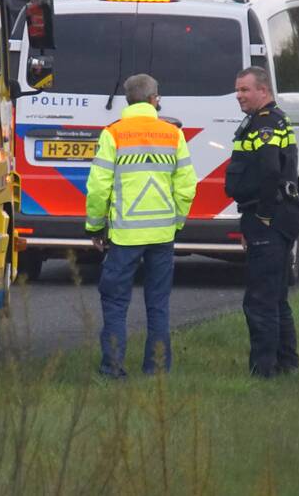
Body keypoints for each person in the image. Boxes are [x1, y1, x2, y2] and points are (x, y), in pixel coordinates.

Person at [85, 74, 198, 377]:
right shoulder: (173, 134)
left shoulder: (114, 134)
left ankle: (112, 369)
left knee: (115, 302)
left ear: (128, 100)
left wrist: (95, 227)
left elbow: (98, 188)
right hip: (162, 234)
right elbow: (187, 186)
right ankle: (157, 370)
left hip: (124, 235)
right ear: (153, 99)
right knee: (158, 304)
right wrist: (176, 223)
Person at [225, 67, 299, 378]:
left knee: (260, 300)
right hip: (280, 213)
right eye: (237, 90)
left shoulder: (265, 123)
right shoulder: (274, 118)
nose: (239, 96)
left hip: (270, 215)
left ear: (263, 91)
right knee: (277, 297)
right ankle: (287, 364)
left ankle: (264, 372)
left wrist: (263, 216)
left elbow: (271, 170)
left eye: (245, 90)